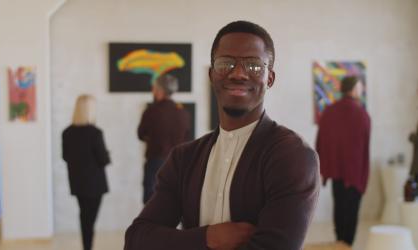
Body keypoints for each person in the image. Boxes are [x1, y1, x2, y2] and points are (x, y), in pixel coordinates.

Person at [125, 20, 320, 250]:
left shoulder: (292, 156)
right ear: (212, 74)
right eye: (226, 63)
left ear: (269, 78)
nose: (238, 73)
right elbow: (137, 239)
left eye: (254, 66)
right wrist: (207, 237)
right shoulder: (184, 158)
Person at [316, 76, 371, 248]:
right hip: (354, 173)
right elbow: (365, 149)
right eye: (361, 86)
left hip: (336, 172)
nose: (362, 89)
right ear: (354, 88)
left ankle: (340, 243)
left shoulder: (329, 111)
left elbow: (321, 141)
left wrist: (324, 166)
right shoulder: (362, 114)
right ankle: (347, 244)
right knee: (351, 211)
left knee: (339, 207)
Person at [62, 94, 111, 250]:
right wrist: (108, 154)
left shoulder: (67, 132)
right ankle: (87, 246)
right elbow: (103, 160)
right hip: (95, 185)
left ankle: (87, 246)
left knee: (84, 216)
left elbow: (65, 156)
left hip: (77, 183)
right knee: (89, 219)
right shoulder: (95, 133)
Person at [137, 73, 191, 203]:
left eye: (154, 88)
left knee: (151, 201)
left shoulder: (151, 111)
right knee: (175, 201)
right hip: (178, 163)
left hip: (155, 162)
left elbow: (140, 134)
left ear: (159, 90)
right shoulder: (183, 113)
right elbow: (187, 138)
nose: (153, 91)